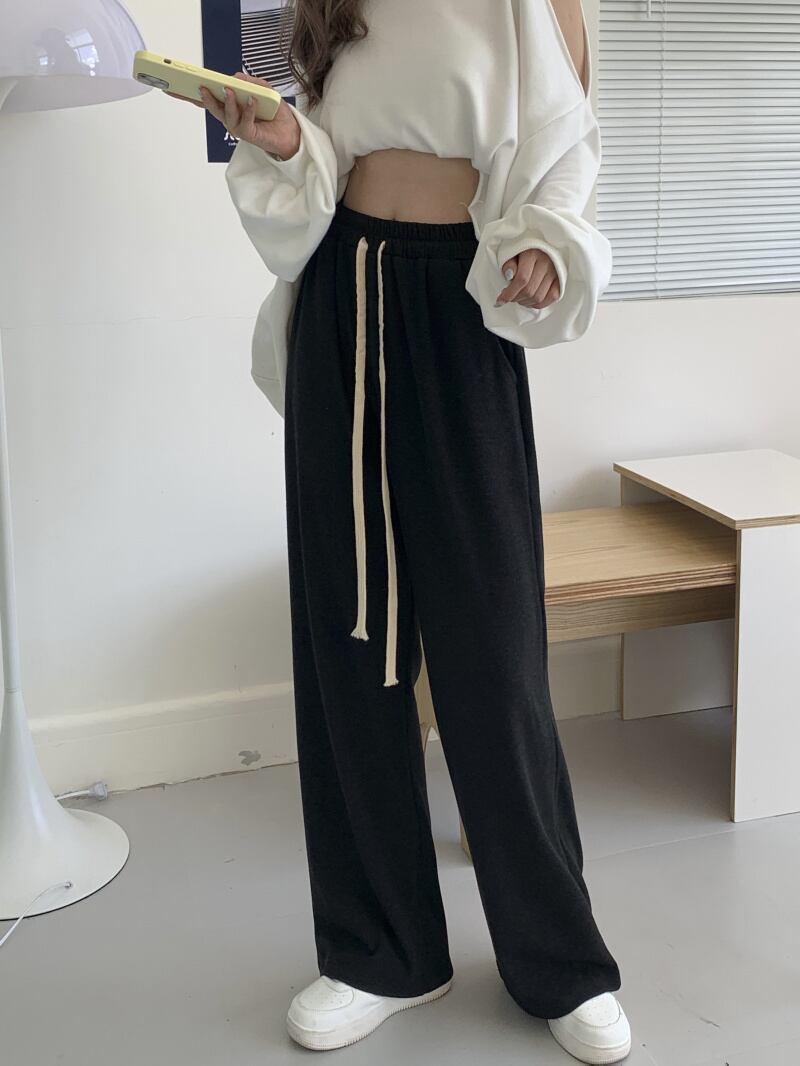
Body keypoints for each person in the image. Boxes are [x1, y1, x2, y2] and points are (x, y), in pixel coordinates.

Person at [168, 1, 631, 1061]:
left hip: (461, 301)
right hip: (343, 294)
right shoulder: (334, 4)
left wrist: (548, 245)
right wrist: (286, 139)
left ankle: (557, 959)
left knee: (494, 654)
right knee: (348, 639)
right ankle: (380, 951)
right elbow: (328, 163)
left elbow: (566, 148)